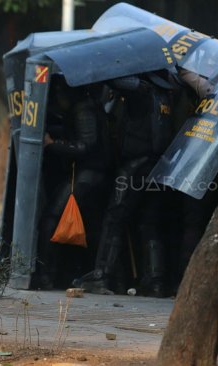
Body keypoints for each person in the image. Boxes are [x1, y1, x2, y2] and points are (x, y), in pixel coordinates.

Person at [74, 74, 175, 297]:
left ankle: (101, 275)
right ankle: (155, 281)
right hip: (158, 166)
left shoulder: (141, 90)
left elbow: (114, 79)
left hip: (135, 166)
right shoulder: (165, 92)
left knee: (115, 218)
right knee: (150, 223)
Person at [36, 78, 108, 289]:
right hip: (91, 174)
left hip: (87, 174)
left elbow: (85, 146)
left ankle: (46, 275)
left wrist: (52, 144)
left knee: (51, 218)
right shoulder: (86, 106)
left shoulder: (83, 109)